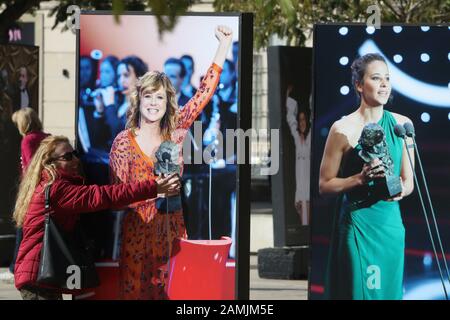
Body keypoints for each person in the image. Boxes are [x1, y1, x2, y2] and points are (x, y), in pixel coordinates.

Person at [109, 25, 233, 300]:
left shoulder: (177, 130)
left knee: (176, 294)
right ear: (139, 99)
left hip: (171, 229)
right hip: (137, 232)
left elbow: (204, 94)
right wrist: (153, 190)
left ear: (168, 102)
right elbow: (115, 198)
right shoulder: (123, 142)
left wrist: (224, 45)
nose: (154, 103)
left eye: (160, 97)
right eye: (148, 96)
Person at [12, 135, 180, 300]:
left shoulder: (49, 185)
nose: (76, 160)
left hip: (40, 275)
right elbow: (103, 195)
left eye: (75, 154)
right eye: (67, 157)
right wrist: (153, 187)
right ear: (49, 163)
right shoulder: (57, 189)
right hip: (37, 276)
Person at [320, 53, 414, 300]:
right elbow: (325, 184)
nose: (384, 84)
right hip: (358, 223)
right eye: (376, 78)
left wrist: (399, 191)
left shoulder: (403, 125)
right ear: (359, 85)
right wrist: (359, 179)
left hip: (391, 226)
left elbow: (409, 181)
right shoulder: (342, 128)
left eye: (387, 78)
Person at [286, 86, 311, 225]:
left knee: (307, 221)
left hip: (308, 187)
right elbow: (290, 120)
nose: (302, 123)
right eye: (300, 120)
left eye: (304, 120)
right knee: (303, 221)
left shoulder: (310, 138)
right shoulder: (297, 138)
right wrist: (288, 97)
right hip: (300, 188)